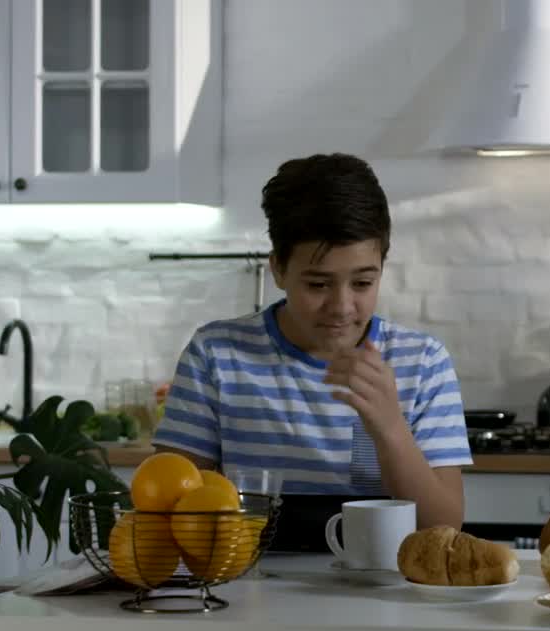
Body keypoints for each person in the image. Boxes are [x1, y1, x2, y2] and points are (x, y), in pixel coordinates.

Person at [153, 154, 469, 529]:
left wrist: (390, 428)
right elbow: (168, 511)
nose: (341, 306)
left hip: (386, 586)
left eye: (363, 283)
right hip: (252, 582)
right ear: (279, 270)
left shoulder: (423, 362)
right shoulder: (215, 354)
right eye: (318, 284)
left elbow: (444, 528)